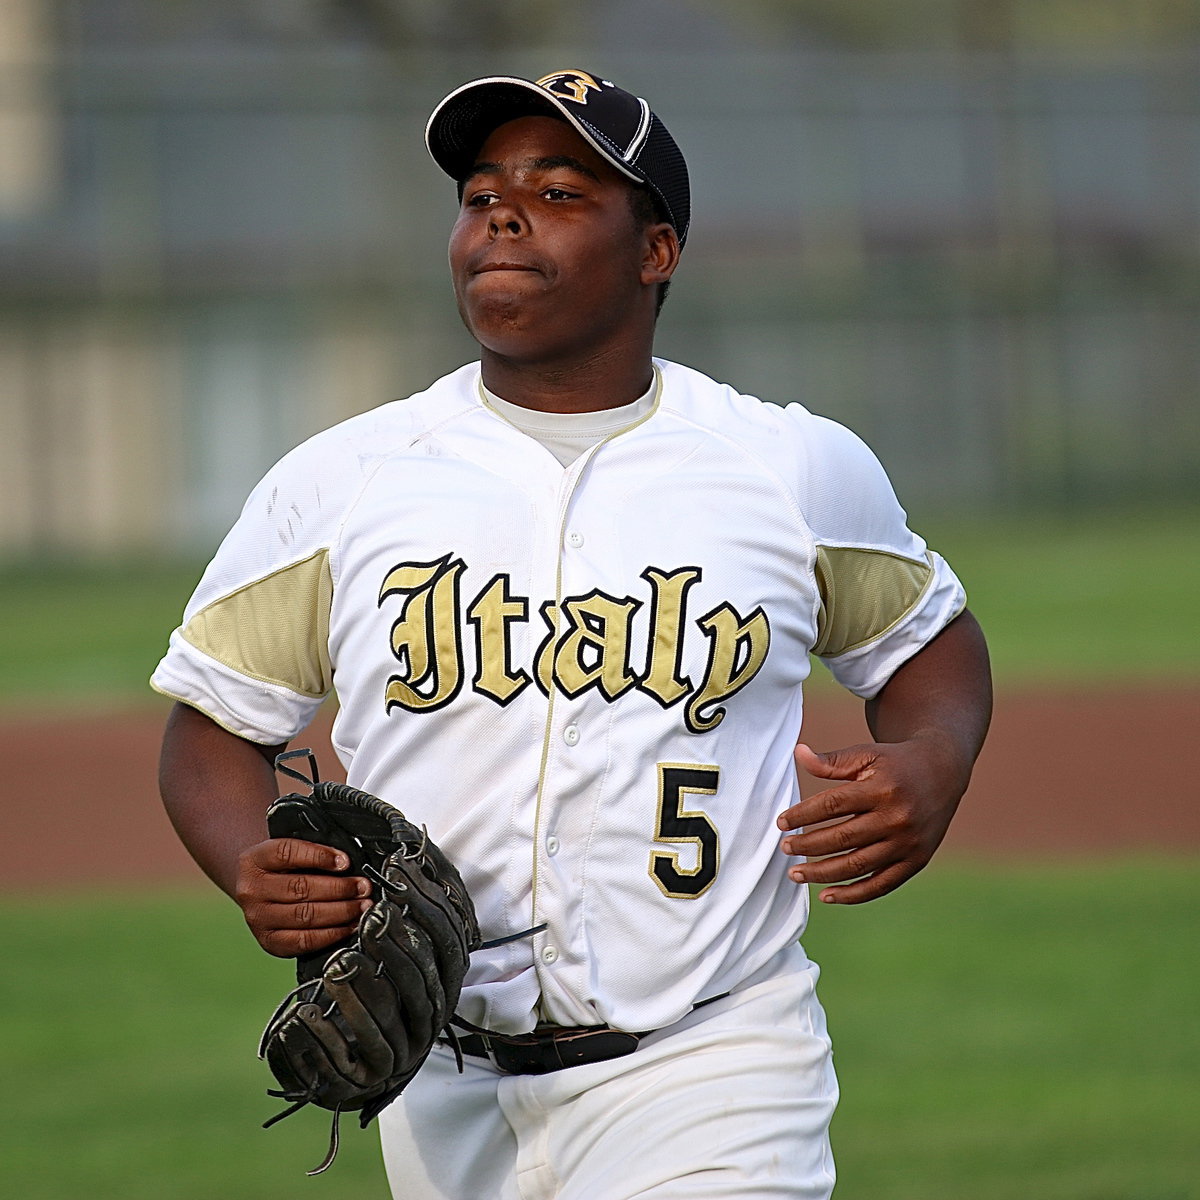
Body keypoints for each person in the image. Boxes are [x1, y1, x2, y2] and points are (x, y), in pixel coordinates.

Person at [154, 69, 992, 1200]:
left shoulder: (787, 467)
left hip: (715, 1061)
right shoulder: (344, 484)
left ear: (656, 252)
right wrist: (252, 862)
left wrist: (931, 763)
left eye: (558, 191)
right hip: (436, 1087)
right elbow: (213, 726)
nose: (500, 213)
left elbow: (929, 647)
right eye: (480, 193)